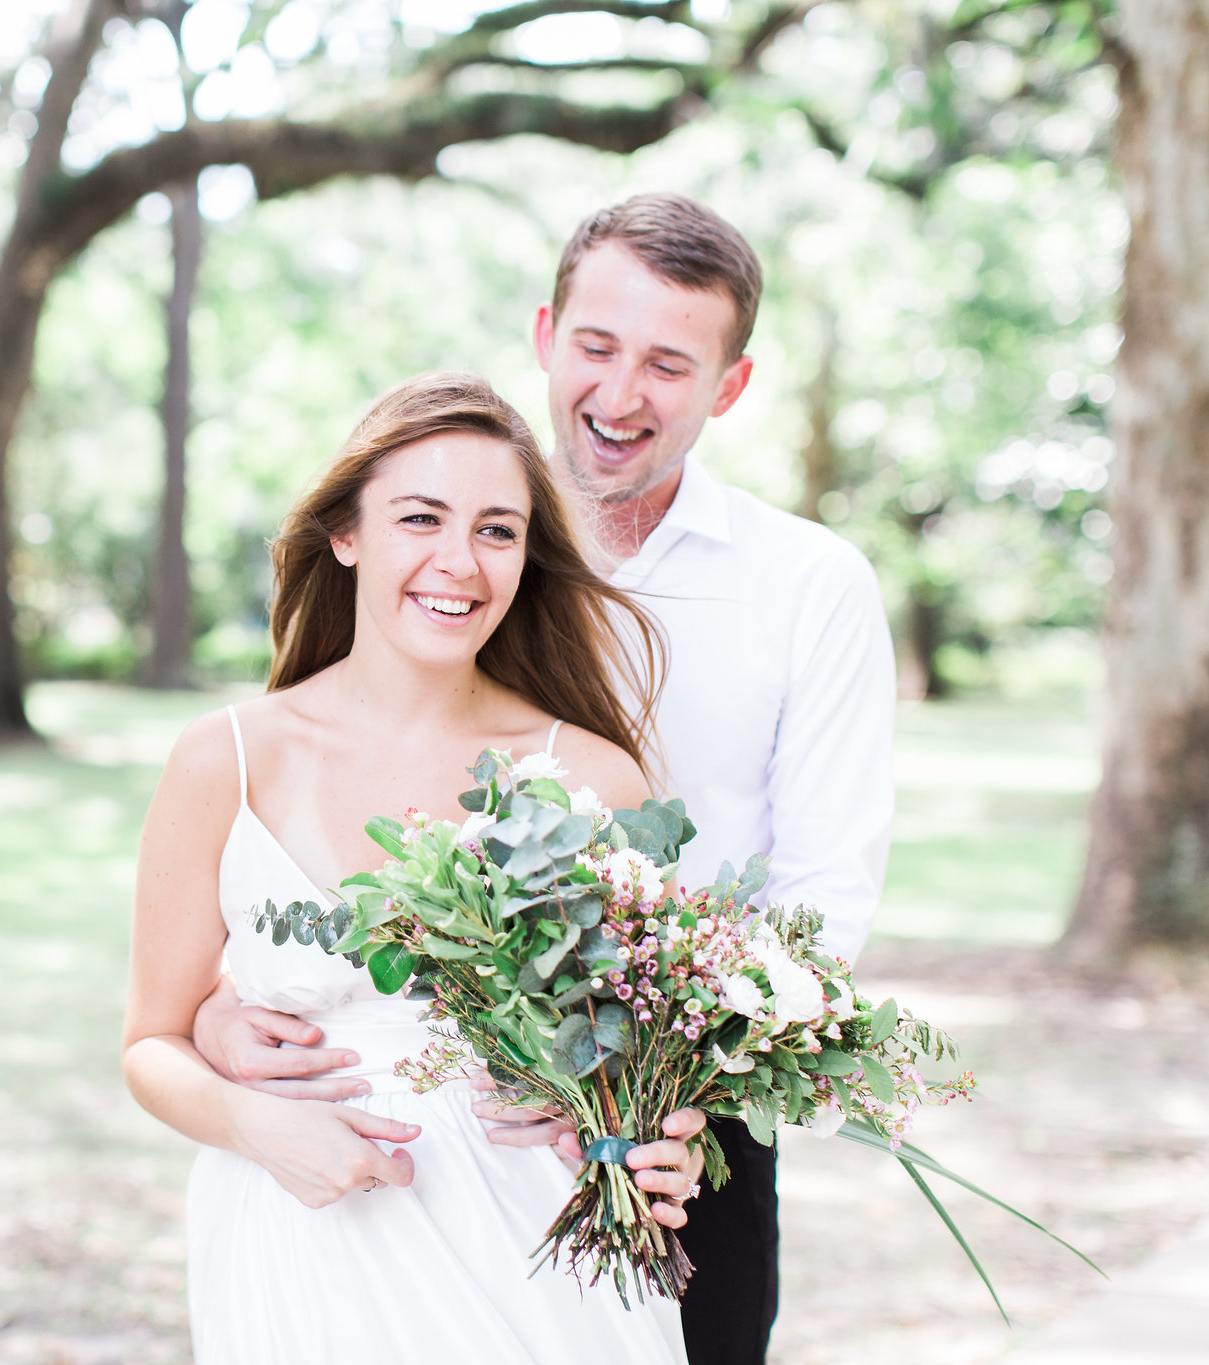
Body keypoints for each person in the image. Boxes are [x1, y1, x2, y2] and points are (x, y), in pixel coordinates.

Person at [190, 195, 898, 1365]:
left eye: (669, 363)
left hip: (675, 1130)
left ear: (726, 385)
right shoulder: (449, 547)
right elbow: (318, 789)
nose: (621, 395)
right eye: (597, 347)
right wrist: (220, 1001)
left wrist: (666, 1086)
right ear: (544, 337)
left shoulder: (808, 585)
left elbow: (821, 892)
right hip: (409, 1136)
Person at [121, 373, 707, 1365]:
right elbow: (149, 1044)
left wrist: (664, 1132)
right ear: (345, 533)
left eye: (495, 530)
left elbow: (649, 1048)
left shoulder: (592, 774)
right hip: (302, 1242)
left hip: (540, 1254)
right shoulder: (224, 758)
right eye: (419, 518)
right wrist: (256, 1128)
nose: (458, 563)